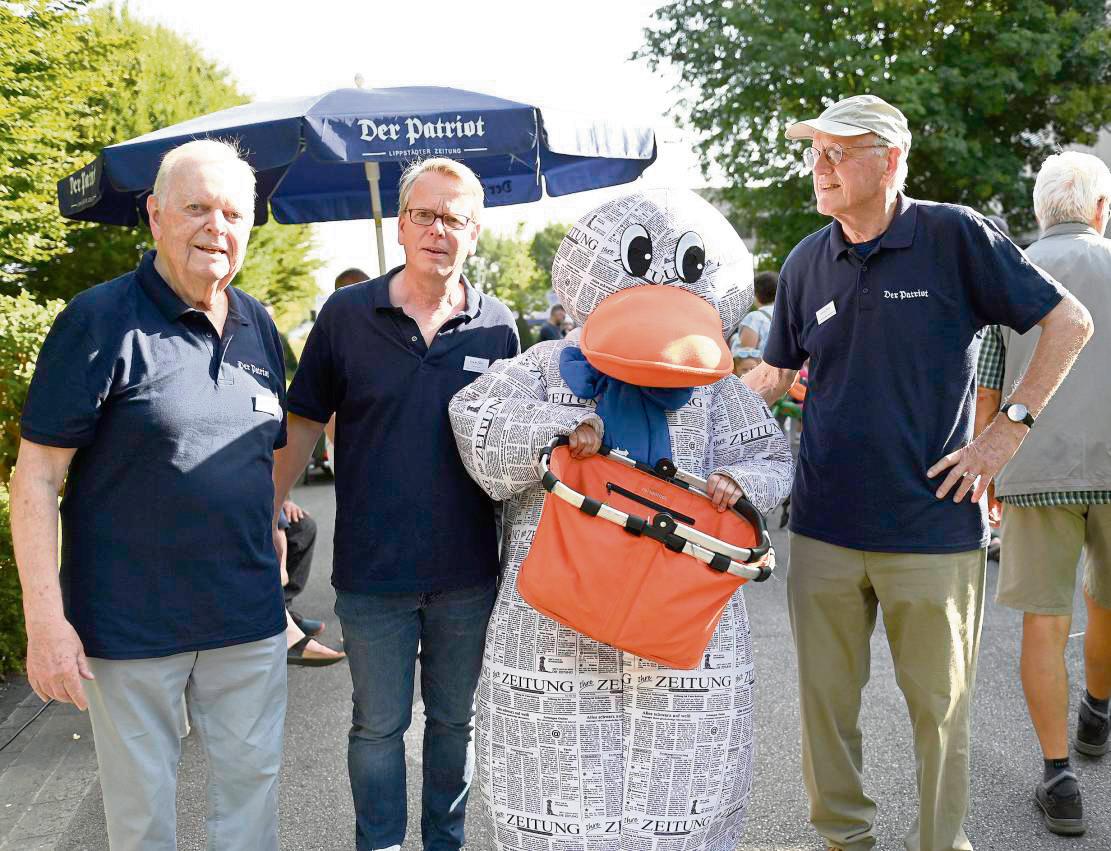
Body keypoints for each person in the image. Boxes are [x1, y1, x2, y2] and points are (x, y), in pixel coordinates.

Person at [744, 94, 1093, 851]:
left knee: (940, 710)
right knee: (824, 709)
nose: (821, 166)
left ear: (890, 159)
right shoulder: (807, 259)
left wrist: (1004, 434)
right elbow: (771, 378)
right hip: (825, 525)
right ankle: (844, 839)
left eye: (839, 151)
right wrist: (673, 397)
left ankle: (940, 842)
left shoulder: (954, 235)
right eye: (816, 151)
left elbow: (1068, 321)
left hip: (932, 526)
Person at [11, 139, 289, 850]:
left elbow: (258, 459)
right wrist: (46, 623)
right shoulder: (99, 321)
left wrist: (277, 557)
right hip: (130, 629)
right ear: (155, 214)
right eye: (196, 207)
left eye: (232, 212)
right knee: (141, 825)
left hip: (247, 623)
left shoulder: (259, 326)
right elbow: (37, 475)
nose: (215, 227)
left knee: (251, 809)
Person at [271, 157, 519, 851]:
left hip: (468, 573)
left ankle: (446, 841)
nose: (438, 229)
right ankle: (378, 844)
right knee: (377, 727)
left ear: (475, 233)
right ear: (403, 224)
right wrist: (269, 505)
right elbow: (301, 420)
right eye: (424, 214)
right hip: (373, 571)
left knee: (453, 723)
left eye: (455, 218)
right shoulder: (347, 317)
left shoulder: (497, 327)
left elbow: (516, 439)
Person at [976, 151, 1111, 837]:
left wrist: (986, 468)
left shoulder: (1011, 271)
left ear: (1038, 211)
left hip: (1032, 470)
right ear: (1098, 208)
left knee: (1043, 619)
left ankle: (1057, 776)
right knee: (1108, 598)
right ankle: (1097, 706)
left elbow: (990, 380)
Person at [731, 270, 778, 375]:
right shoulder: (786, 316)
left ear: (756, 294)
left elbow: (746, 355)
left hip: (759, 377)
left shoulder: (754, 318)